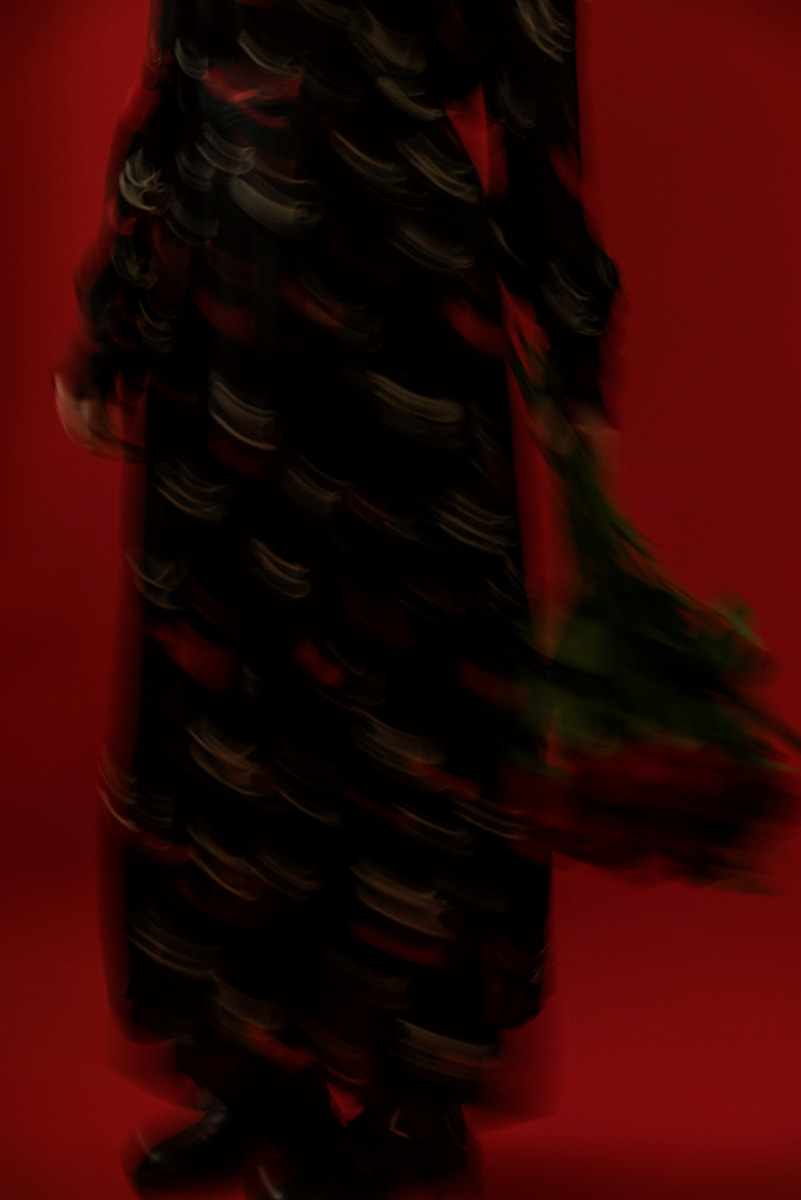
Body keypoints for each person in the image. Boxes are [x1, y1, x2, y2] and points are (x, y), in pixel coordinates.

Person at [54, 1, 797, 1196]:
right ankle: (259, 1079)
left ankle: (414, 1104)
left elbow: (539, 144)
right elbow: (170, 94)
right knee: (225, 714)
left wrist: (577, 370)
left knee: (415, 721)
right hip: (223, 337)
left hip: (406, 338)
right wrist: (115, 320)